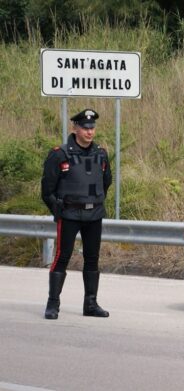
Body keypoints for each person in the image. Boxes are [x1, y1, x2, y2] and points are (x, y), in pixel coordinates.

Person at [41, 109, 112, 320]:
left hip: (94, 214)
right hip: (69, 215)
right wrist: (59, 210)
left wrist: (93, 200)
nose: (90, 132)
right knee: (62, 258)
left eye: (92, 128)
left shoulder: (100, 153)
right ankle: (53, 304)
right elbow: (47, 190)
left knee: (92, 259)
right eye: (85, 128)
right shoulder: (59, 154)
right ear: (75, 128)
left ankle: (90, 303)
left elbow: (106, 181)